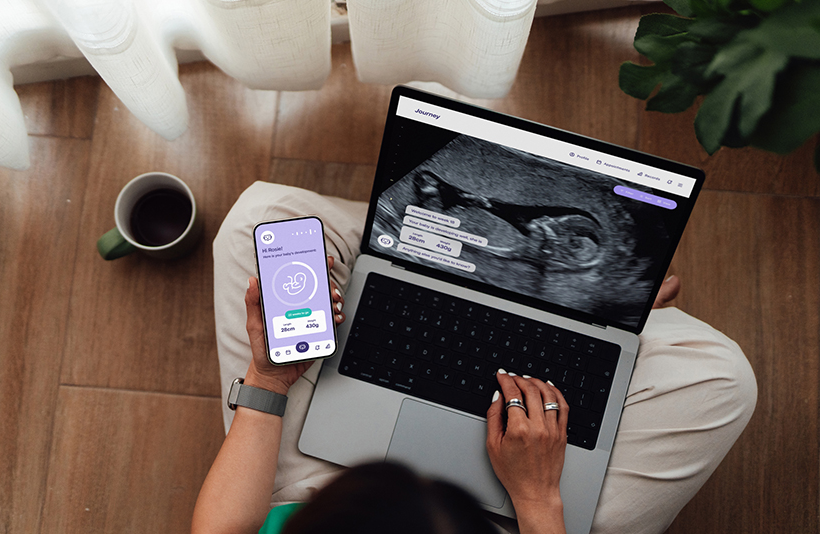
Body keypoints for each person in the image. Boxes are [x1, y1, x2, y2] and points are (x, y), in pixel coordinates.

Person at [194, 182, 757, 534]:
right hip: (514, 512)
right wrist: (537, 499)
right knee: (721, 379)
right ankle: (550, 303)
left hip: (311, 498)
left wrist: (268, 379)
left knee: (267, 216)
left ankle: (433, 255)